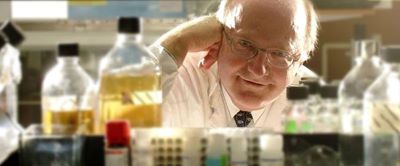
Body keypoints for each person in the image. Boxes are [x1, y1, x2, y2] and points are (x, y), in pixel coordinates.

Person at [150, 0, 319, 130]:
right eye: (245, 44)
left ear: (301, 61)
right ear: (220, 38)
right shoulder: (179, 75)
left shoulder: (315, 103)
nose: (258, 70)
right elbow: (124, 111)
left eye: (280, 54)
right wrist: (178, 41)